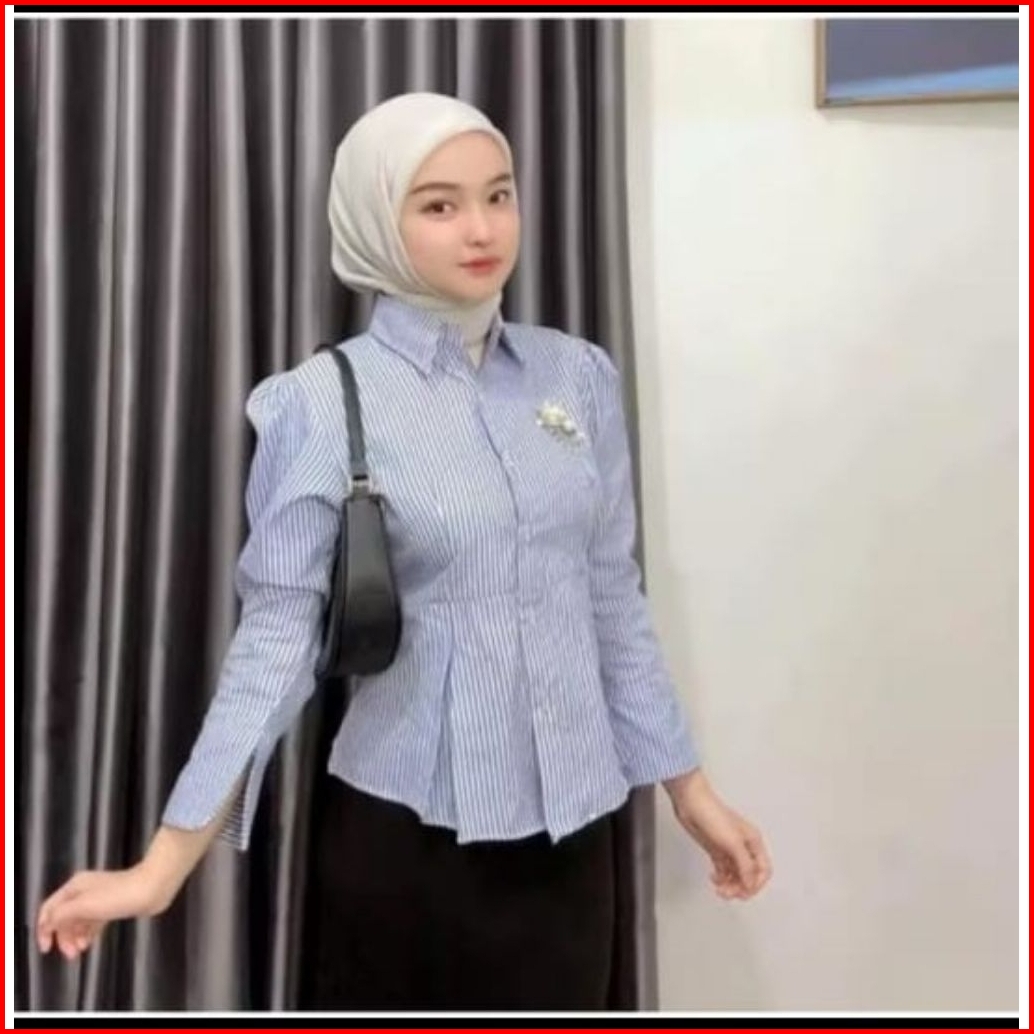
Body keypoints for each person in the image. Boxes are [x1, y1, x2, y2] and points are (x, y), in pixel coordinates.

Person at [36, 92, 772, 1011]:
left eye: (499, 194)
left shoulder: (576, 375)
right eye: (439, 204)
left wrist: (689, 791)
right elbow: (275, 648)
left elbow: (611, 600)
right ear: (377, 222)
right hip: (407, 847)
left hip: (576, 840)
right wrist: (161, 867)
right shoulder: (319, 401)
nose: (482, 228)